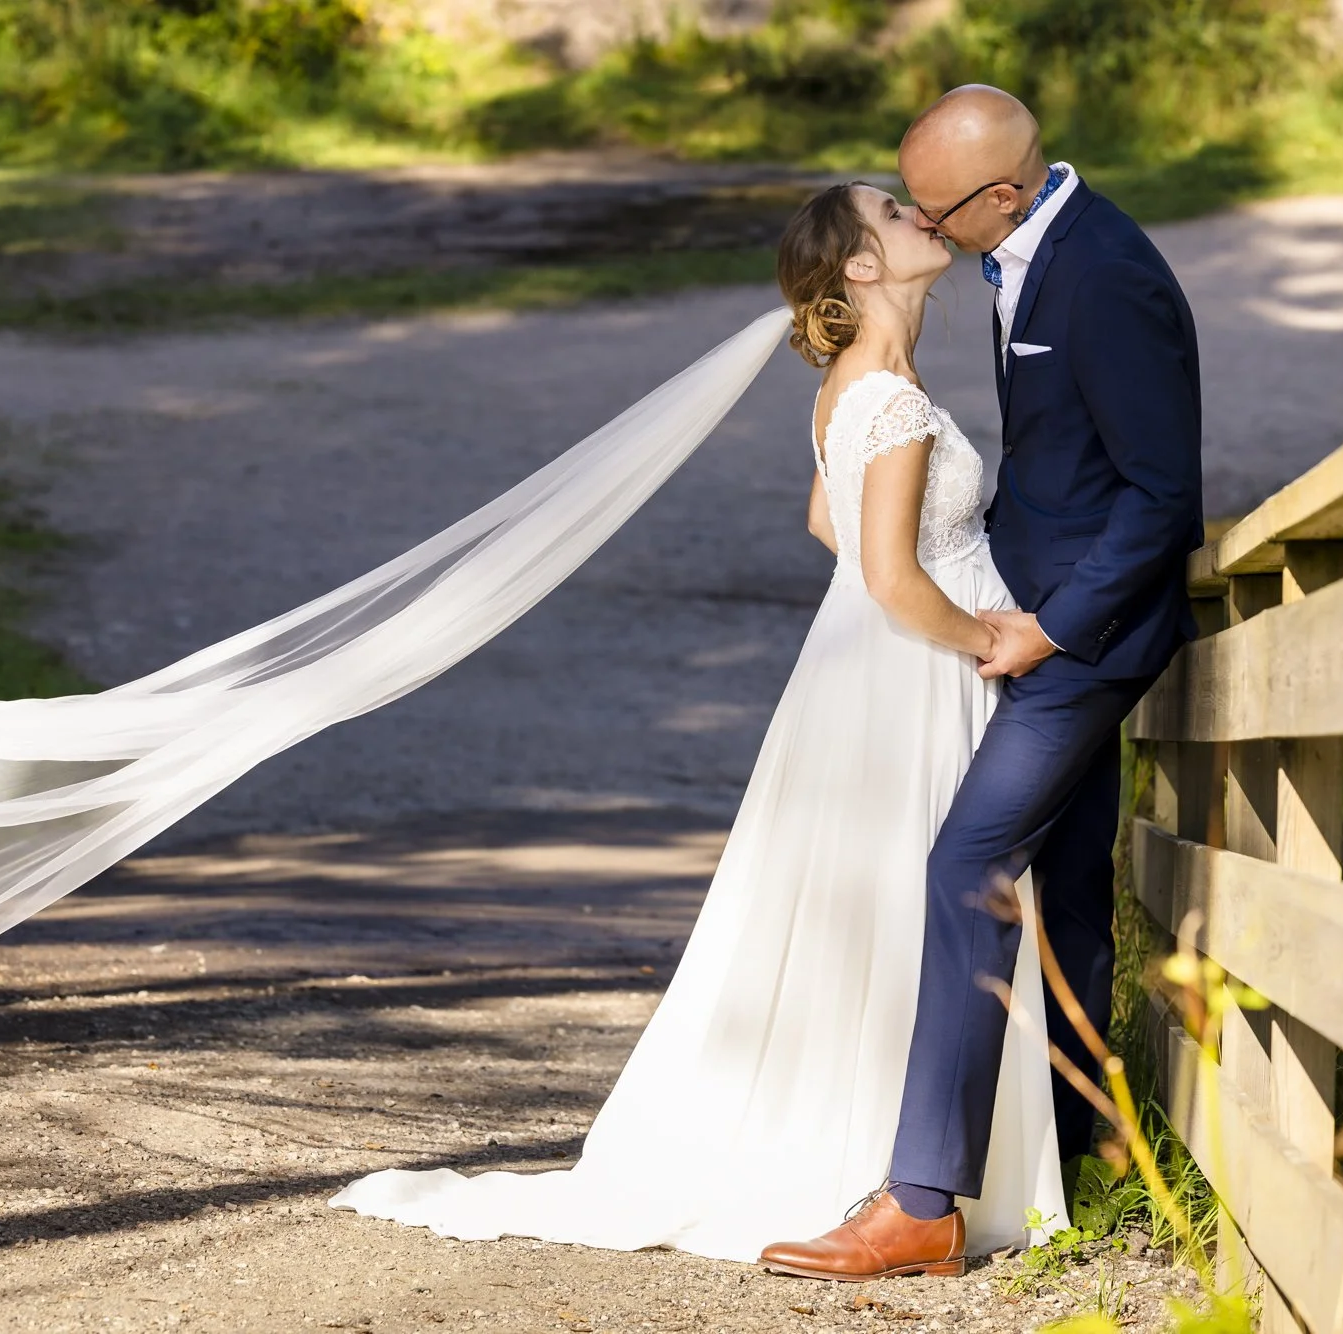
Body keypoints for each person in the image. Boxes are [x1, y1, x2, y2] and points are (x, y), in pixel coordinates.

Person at [329, 164, 1073, 1264]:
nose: (916, 211)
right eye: (888, 209)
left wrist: (927, 576)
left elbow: (824, 517)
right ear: (861, 264)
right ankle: (902, 1164)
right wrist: (981, 627)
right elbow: (880, 566)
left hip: (861, 667)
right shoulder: (895, 398)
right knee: (914, 895)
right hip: (915, 657)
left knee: (869, 893)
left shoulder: (852, 388)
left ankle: (894, 1161)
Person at [758, 84, 1203, 1281]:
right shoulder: (1016, 266)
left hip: (1073, 641)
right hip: (1021, 625)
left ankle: (922, 1200)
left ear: (999, 196)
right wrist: (960, 594)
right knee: (1064, 884)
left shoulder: (1099, 274)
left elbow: (1162, 495)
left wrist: (1042, 627)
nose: (931, 226)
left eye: (938, 208)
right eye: (908, 206)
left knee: (966, 863)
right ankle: (1081, 1150)